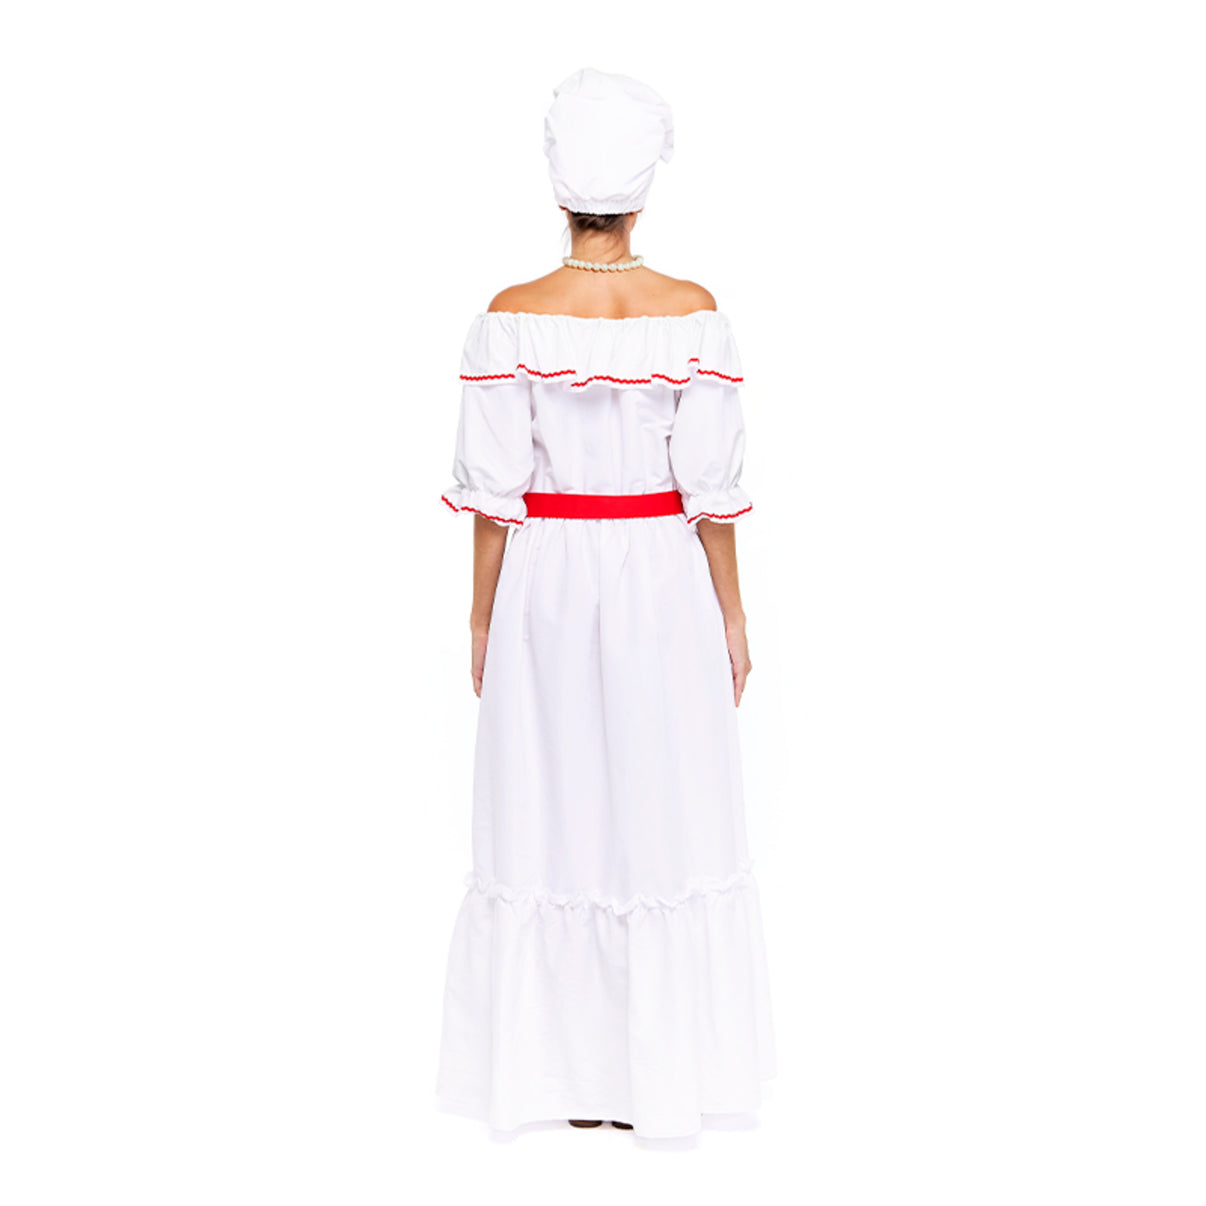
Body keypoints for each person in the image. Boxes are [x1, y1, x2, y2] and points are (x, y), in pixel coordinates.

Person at [435, 67, 776, 1141]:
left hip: (546, 580)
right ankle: (652, 1079)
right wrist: (733, 614)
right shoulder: (694, 316)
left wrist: (481, 617)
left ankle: (564, 1079)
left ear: (558, 186)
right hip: (661, 578)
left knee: (552, 800)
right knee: (660, 799)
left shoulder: (509, 320)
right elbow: (711, 494)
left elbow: (494, 499)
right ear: (642, 188)